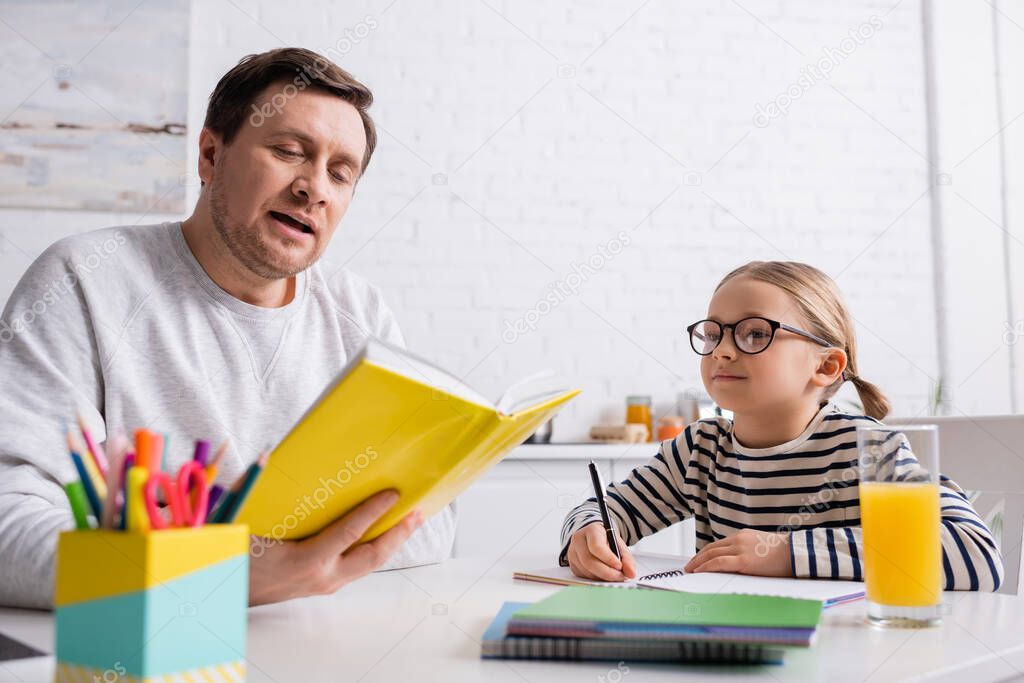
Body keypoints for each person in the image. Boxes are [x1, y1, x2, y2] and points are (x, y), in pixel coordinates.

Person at [0, 48, 455, 610]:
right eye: (290, 152)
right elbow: (8, 531)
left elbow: (430, 525)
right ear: (212, 154)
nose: (314, 188)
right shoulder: (82, 280)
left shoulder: (359, 312)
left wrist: (211, 548)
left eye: (341, 174)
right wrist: (226, 572)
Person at [561, 261, 1002, 590]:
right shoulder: (699, 450)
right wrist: (589, 535)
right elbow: (604, 510)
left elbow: (975, 554)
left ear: (826, 365)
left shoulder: (866, 450)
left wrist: (785, 553)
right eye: (713, 334)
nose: (723, 352)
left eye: (755, 334)